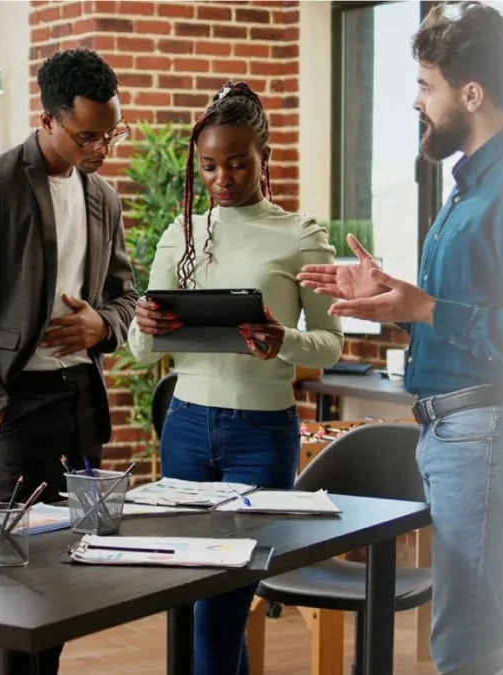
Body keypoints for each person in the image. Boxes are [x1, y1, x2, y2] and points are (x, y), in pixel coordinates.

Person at [297, 3, 503, 671]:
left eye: (424, 85)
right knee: (494, 637)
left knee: (471, 645)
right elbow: (470, 311)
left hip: (489, 431)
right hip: (456, 433)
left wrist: (430, 308)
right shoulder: (469, 186)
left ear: (472, 93)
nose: (416, 101)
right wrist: (395, 303)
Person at [0, 47, 138, 675]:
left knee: (62, 583)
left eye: (111, 133)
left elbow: (126, 295)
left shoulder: (102, 196)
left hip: (80, 406)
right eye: (87, 136)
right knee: (5, 587)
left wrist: (102, 324)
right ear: (46, 120)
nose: (101, 148)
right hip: (11, 412)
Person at [128, 81, 343, 674]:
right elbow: (142, 353)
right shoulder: (182, 234)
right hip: (186, 429)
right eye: (210, 165)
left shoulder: (301, 236)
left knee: (221, 607)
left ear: (264, 157)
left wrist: (283, 342)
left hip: (261, 436)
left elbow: (329, 346)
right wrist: (146, 322)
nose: (222, 177)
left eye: (237, 162)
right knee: (199, 600)